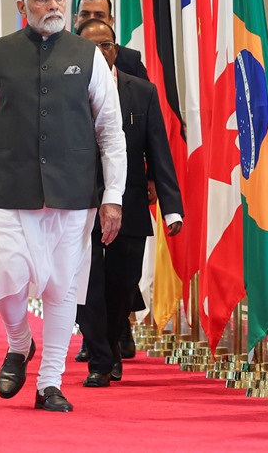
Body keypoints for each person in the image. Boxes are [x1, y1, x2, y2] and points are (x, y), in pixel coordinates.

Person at [0, 0, 127, 412]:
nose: (52, 6)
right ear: (22, 8)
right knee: (8, 277)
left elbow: (111, 132)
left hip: (72, 195)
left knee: (62, 289)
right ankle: (19, 342)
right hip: (9, 190)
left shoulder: (87, 54)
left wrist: (113, 197)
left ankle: (50, 382)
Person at [75, 19, 182, 387]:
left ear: (115, 50)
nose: (99, 53)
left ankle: (112, 344)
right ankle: (100, 359)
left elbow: (159, 152)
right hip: (79, 203)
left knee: (124, 281)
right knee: (87, 283)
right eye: (90, 47)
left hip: (130, 201)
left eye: (105, 45)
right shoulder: (65, 92)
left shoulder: (142, 92)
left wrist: (172, 207)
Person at [75, 0, 147, 80]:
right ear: (75, 20)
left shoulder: (131, 60)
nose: (92, 20)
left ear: (111, 21)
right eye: (85, 14)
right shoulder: (59, 56)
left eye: (99, 15)